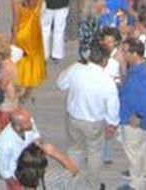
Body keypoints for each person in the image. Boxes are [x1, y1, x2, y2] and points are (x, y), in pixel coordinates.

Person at [55, 44, 117, 190]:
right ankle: (93, 185)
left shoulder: (76, 69)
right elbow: (113, 107)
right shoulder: (107, 80)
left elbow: (60, 84)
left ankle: (71, 184)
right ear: (105, 61)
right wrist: (112, 124)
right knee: (94, 153)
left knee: (74, 150)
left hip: (74, 119)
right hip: (94, 123)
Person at [117, 37, 146, 190]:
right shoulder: (140, 67)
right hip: (139, 119)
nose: (122, 54)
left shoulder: (142, 73)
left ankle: (136, 184)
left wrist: (139, 117)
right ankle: (143, 173)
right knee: (142, 149)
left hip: (134, 119)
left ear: (135, 54)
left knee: (133, 153)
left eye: (125, 51)